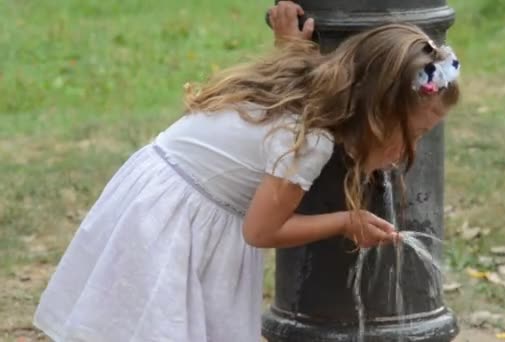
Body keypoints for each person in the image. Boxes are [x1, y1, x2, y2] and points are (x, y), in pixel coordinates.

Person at [33, 1, 460, 341]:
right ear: (376, 114)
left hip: (161, 193)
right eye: (414, 134)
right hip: (173, 221)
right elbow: (260, 232)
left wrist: (289, 43)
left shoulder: (302, 82)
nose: (413, 151)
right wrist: (345, 221)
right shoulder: (309, 141)